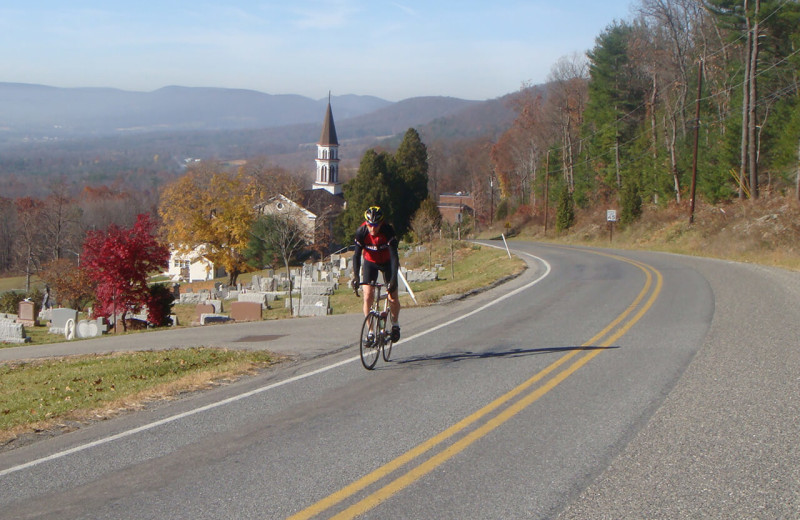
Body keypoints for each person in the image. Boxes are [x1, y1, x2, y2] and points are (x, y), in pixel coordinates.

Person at [350, 206, 401, 342]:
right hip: (370, 262)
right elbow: (356, 256)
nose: (373, 229)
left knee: (393, 296)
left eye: (376, 225)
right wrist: (355, 277)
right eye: (370, 225)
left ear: (381, 223)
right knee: (367, 296)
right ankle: (371, 332)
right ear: (366, 223)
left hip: (387, 262)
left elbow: (395, 257)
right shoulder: (361, 232)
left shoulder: (388, 231)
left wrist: (393, 280)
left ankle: (395, 324)